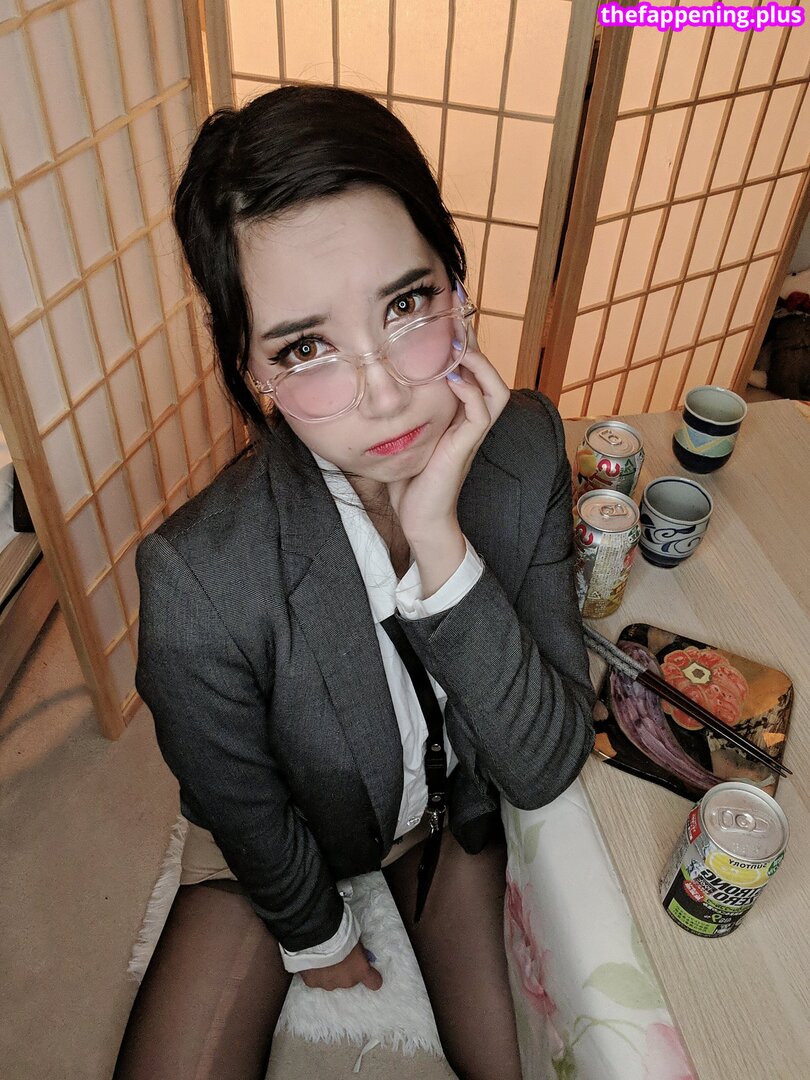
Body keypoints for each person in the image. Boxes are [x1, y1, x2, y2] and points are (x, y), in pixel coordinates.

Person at [112, 85, 595, 1080]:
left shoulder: (524, 449)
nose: (382, 394)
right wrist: (318, 937)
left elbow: (544, 760)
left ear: (456, 281)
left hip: (441, 817)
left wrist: (437, 534)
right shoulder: (201, 577)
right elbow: (240, 800)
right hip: (288, 837)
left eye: (407, 304)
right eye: (306, 347)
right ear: (253, 372)